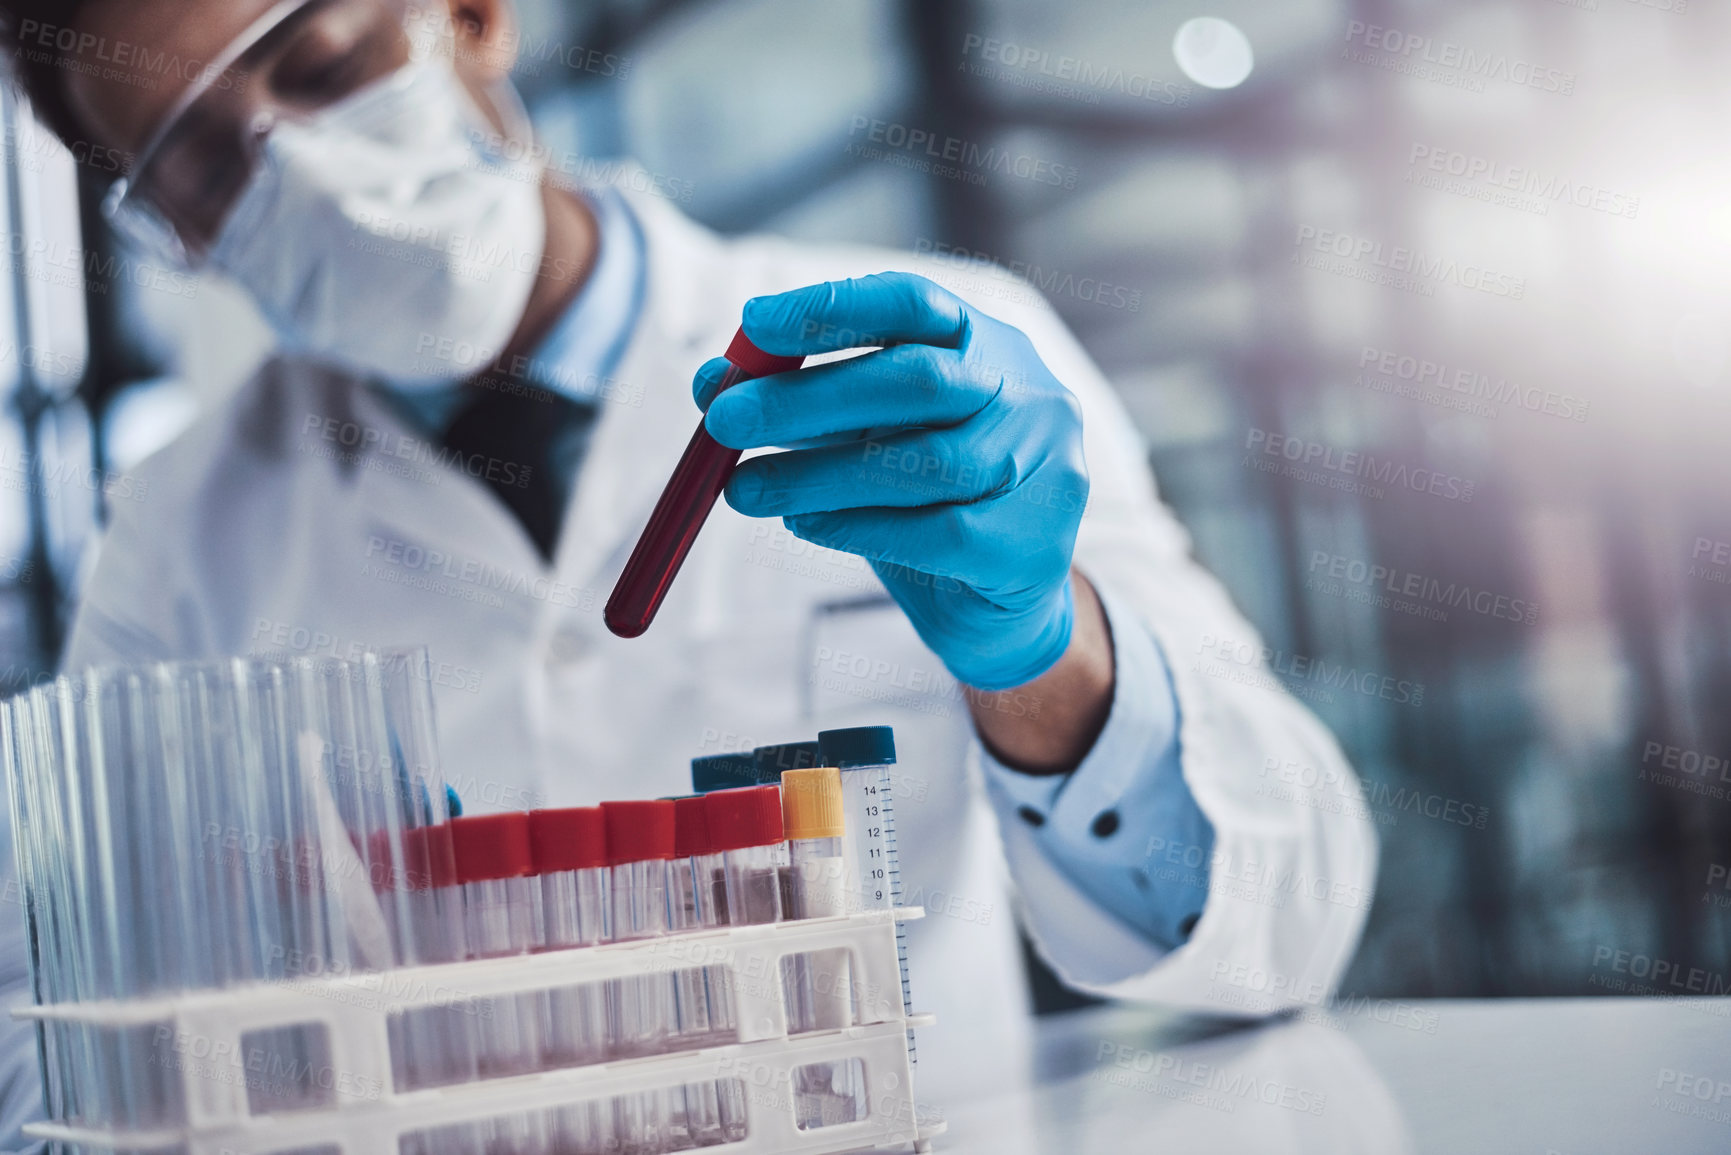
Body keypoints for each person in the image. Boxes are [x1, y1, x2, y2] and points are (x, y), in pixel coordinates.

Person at [0, 0, 1376, 1146]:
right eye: (200, 164)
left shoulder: (938, 358)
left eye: (323, 62)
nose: (296, 167)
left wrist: (1045, 657)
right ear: (169, 235)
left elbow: (1293, 917)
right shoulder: (179, 536)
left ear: (472, 16)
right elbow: (45, 1051)